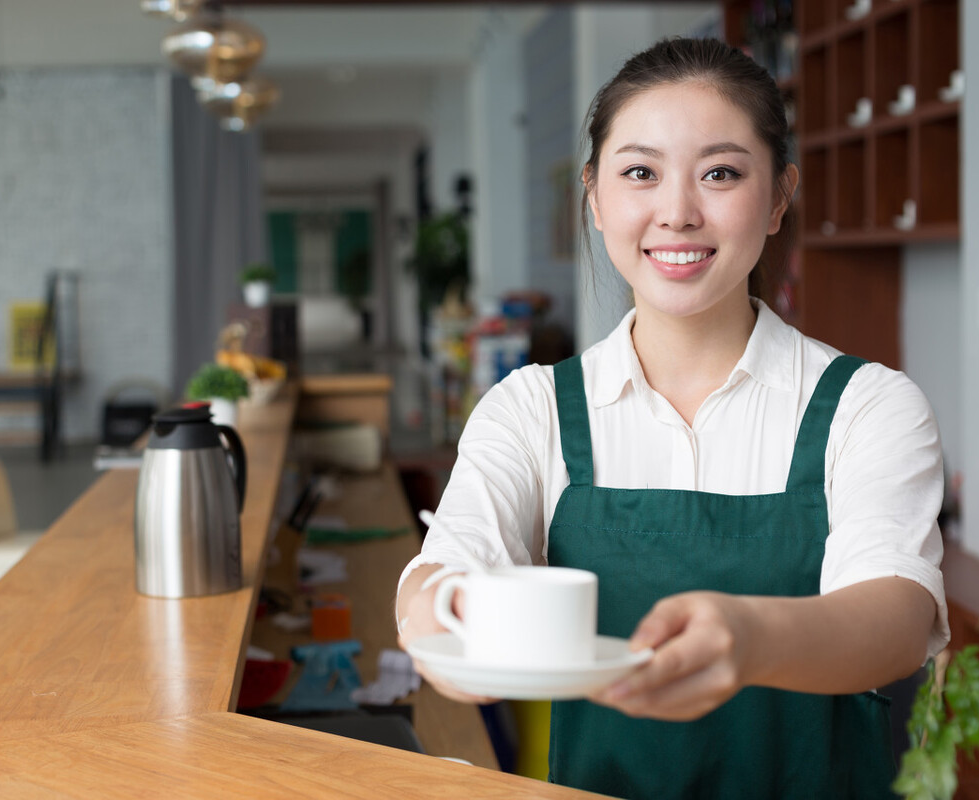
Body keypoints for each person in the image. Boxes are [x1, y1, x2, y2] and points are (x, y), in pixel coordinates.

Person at [395, 36, 948, 800]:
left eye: (720, 173)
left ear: (780, 195)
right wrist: (439, 610)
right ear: (594, 198)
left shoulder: (870, 406)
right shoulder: (531, 411)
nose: (678, 213)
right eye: (640, 173)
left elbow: (896, 619)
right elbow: (442, 569)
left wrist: (750, 639)